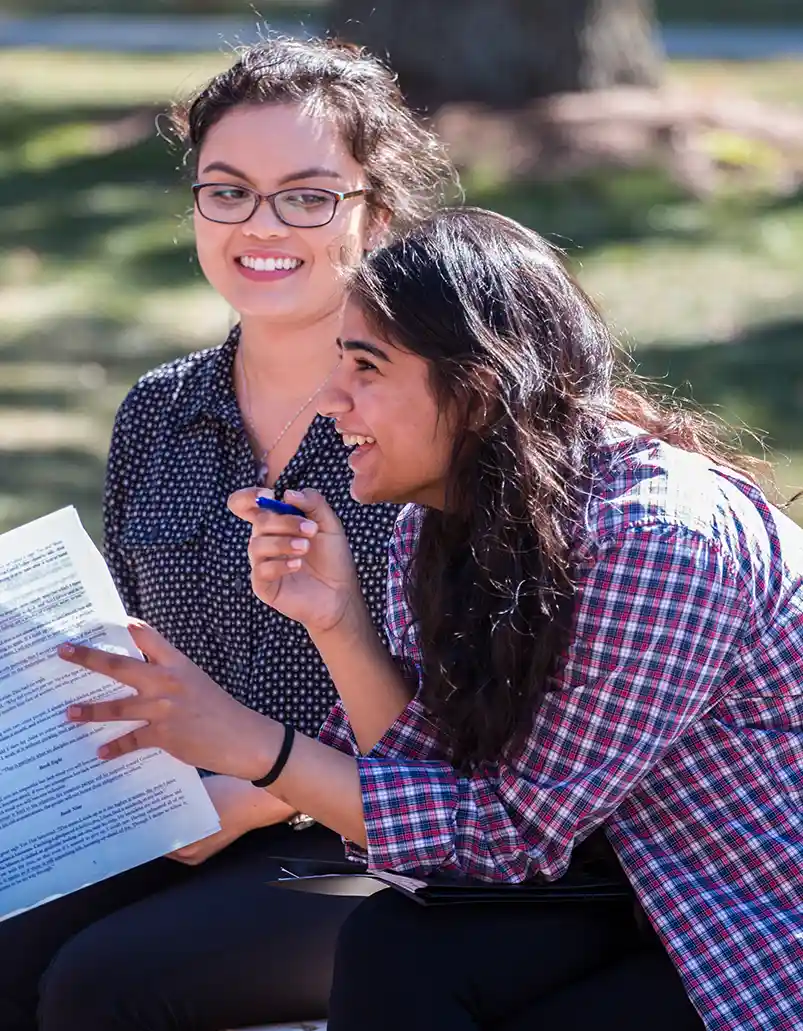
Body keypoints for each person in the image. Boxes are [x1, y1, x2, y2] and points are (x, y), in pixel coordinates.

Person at [63, 207, 803, 1031]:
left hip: (738, 929)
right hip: (612, 884)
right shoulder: (442, 508)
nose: (331, 398)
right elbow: (430, 765)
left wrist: (252, 747)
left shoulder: (658, 541)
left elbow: (507, 838)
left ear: (477, 390)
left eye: (366, 367)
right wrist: (337, 620)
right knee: (395, 946)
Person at [0, 37, 455, 1031]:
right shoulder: (155, 411)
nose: (261, 226)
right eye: (227, 190)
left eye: (305, 195)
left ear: (373, 213)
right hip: (170, 818)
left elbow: (469, 713)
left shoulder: (429, 417)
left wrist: (244, 795)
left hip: (366, 846)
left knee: (104, 987)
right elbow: (126, 653)